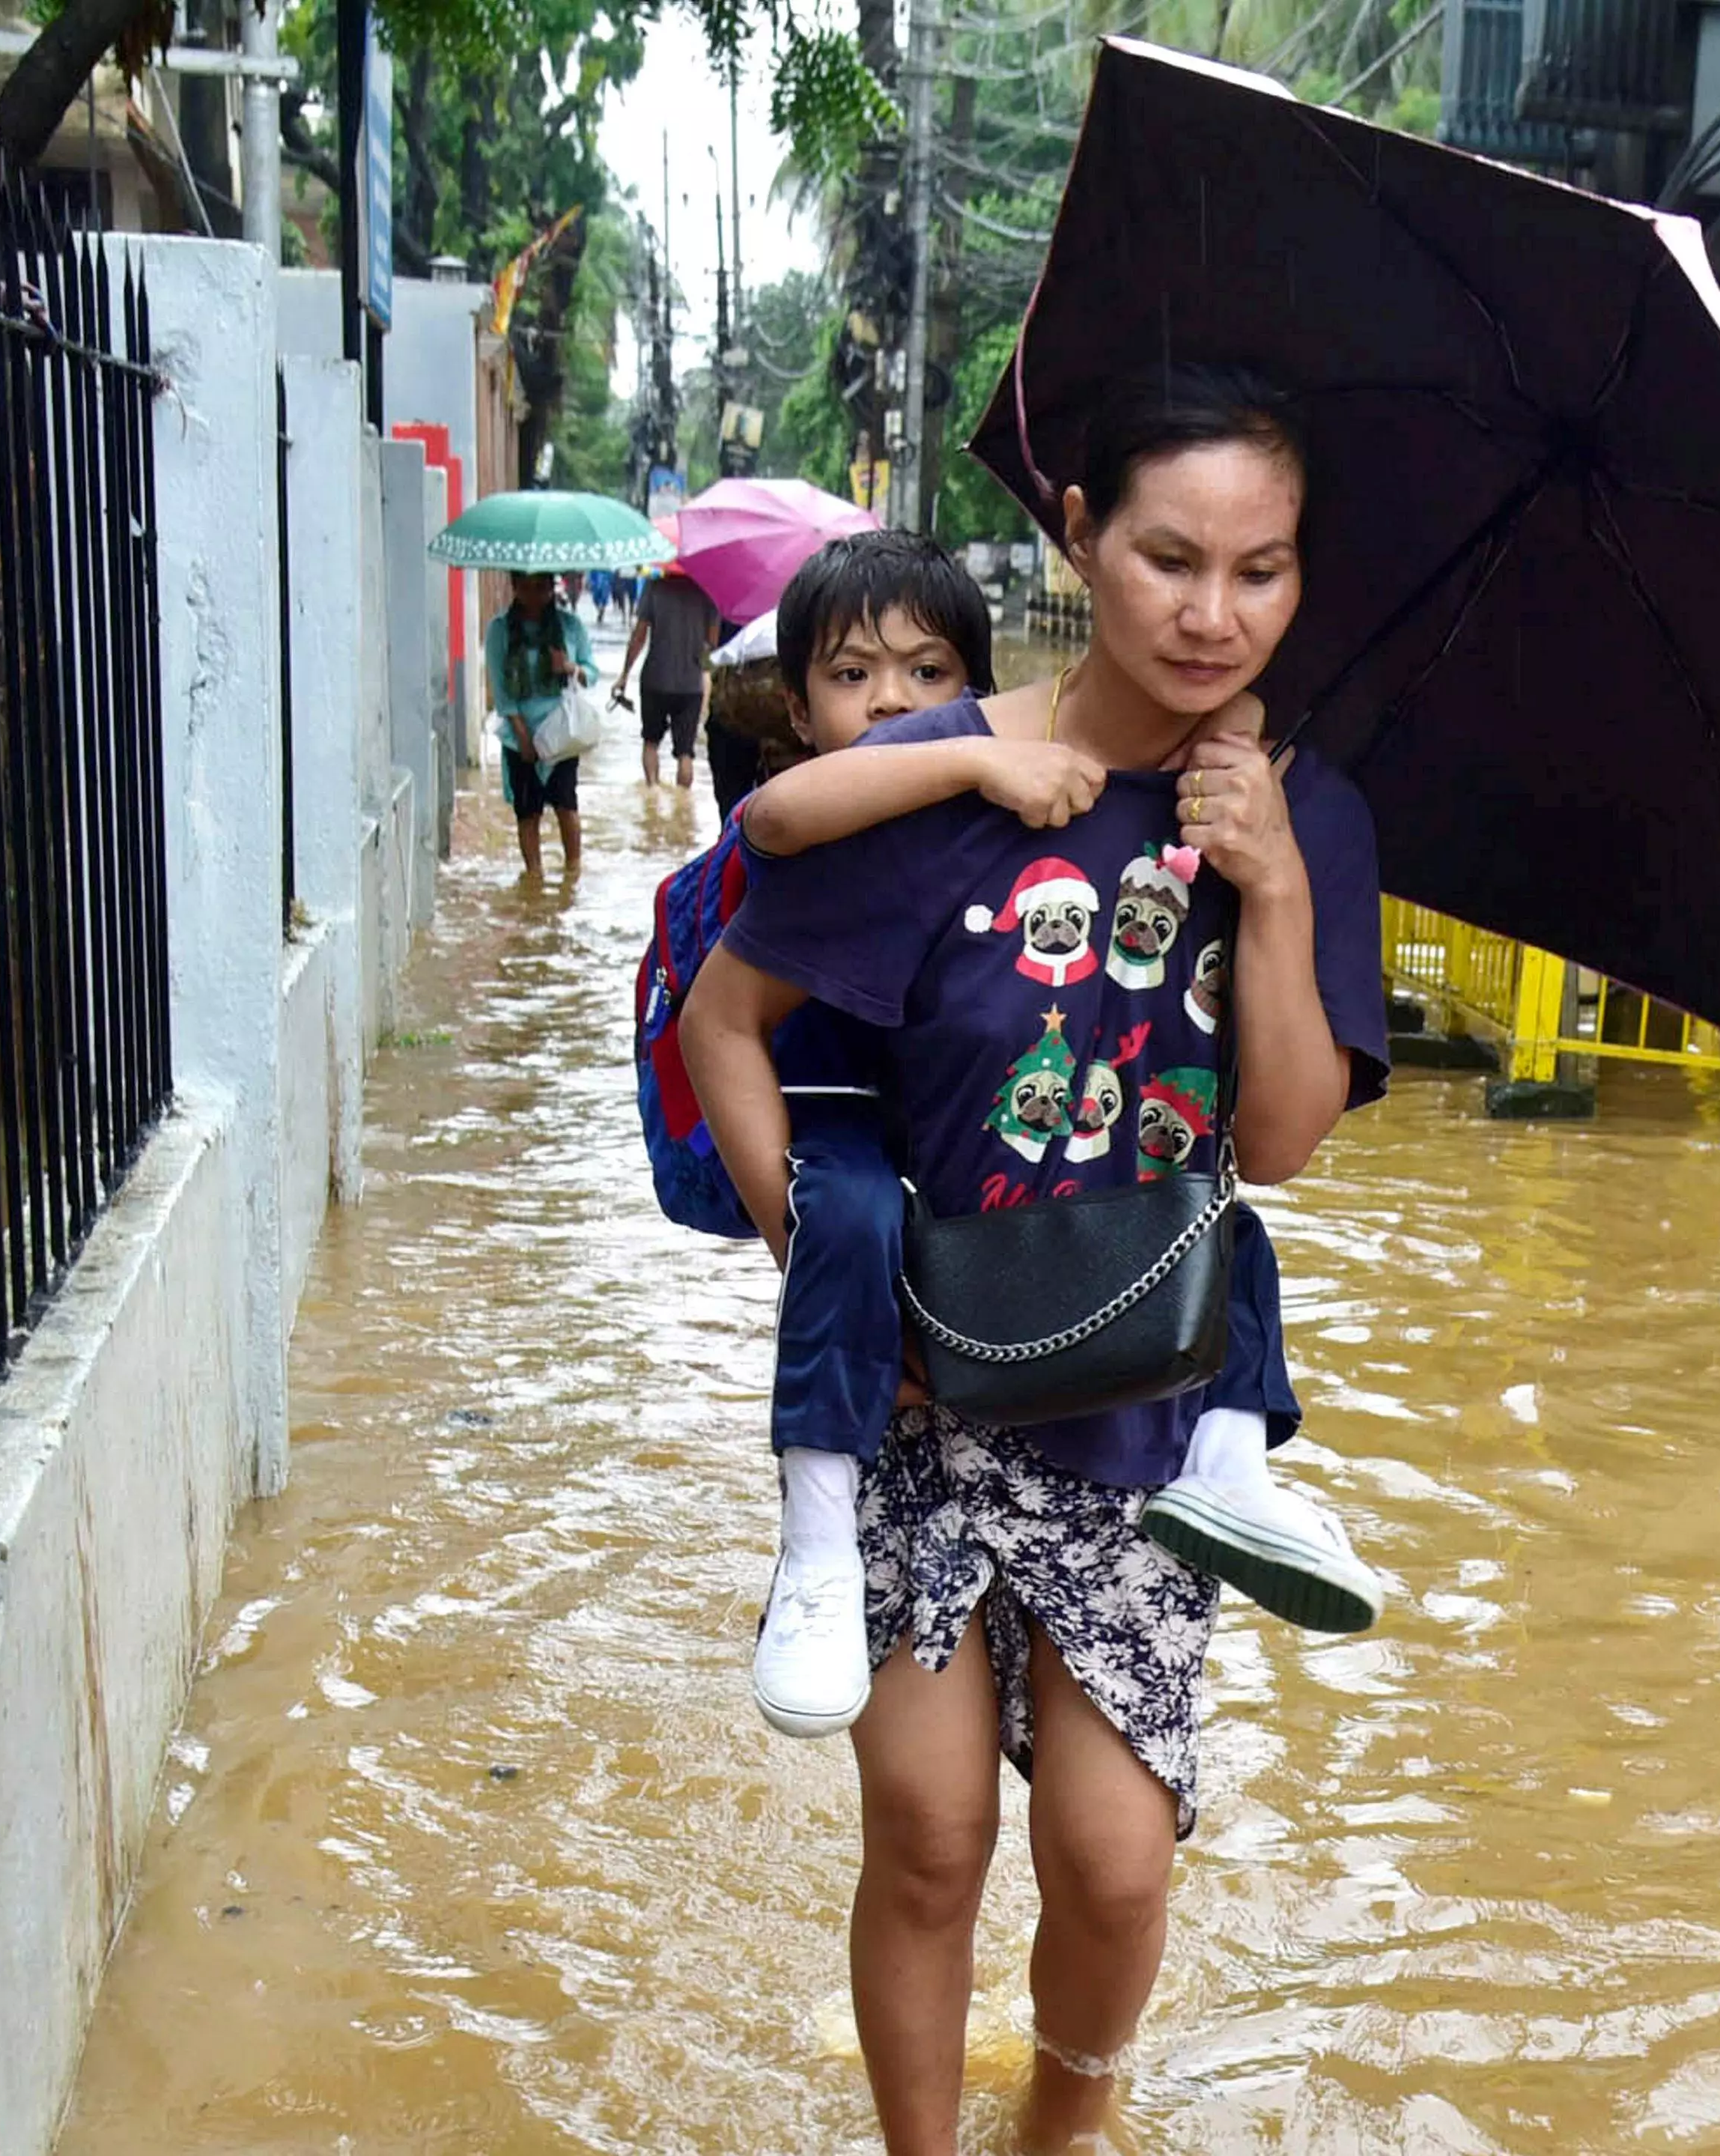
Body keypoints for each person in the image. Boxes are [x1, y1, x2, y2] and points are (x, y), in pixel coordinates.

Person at [680, 367, 1385, 2154]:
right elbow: (723, 1023)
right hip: (928, 1388)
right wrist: (820, 1268)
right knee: (925, 1832)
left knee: (1116, 1860)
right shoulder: (932, 772)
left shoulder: (1308, 817)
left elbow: (1285, 1136)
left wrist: (1278, 886)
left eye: (1263, 570)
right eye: (1168, 557)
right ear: (1078, 533)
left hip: (1143, 1398)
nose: (1213, 612)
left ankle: (1061, 2133)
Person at [651, 529, 1378, 1750]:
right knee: (861, 1222)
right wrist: (973, 758)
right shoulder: (911, 793)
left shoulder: (1265, 808)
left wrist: (1268, 841)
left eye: (928, 673)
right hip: (853, 1155)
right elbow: (773, 822)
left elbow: (1279, 1136)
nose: (892, 702)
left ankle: (1234, 1466)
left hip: (1060, 1269)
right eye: (852, 675)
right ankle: (818, 1539)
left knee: (1230, 1239)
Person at [487, 569, 593, 878]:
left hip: (561, 735)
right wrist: (522, 735)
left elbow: (591, 672)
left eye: (542, 587)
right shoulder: (501, 630)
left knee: (566, 805)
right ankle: (534, 877)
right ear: (515, 588)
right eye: (527, 588)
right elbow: (500, 688)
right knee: (528, 811)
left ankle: (572, 875)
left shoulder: (569, 627)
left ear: (551, 587)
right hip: (518, 737)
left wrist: (569, 666)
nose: (535, 596)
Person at [613, 563, 720, 795]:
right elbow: (712, 643)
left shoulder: (654, 586)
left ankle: (652, 793)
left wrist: (624, 675)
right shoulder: (706, 592)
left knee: (651, 742)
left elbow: (639, 635)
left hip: (655, 679)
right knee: (685, 752)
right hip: (690, 685)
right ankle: (683, 802)